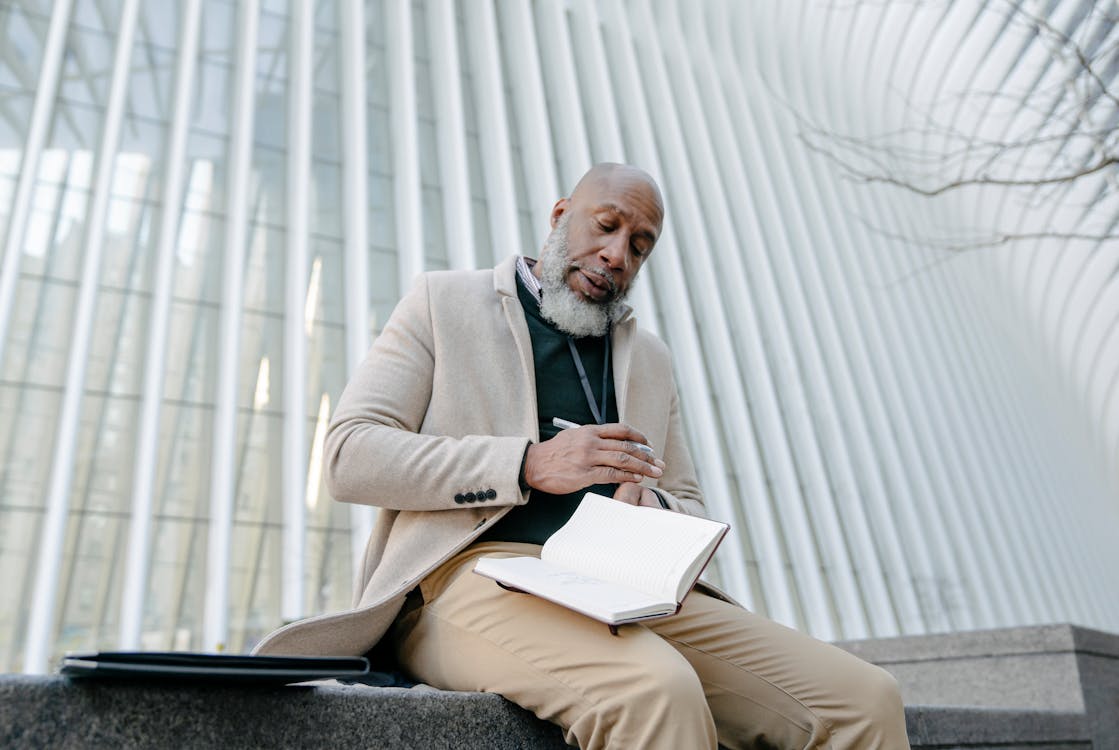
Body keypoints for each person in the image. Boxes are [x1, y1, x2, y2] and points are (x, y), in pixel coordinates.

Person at [254, 163, 910, 749]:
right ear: (560, 215)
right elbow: (349, 453)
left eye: (639, 244)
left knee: (863, 700)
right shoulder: (444, 302)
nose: (616, 253)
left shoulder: (648, 357)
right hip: (466, 581)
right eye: (605, 225)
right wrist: (524, 464)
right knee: (652, 693)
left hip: (626, 591)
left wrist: (652, 507)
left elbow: (687, 500)